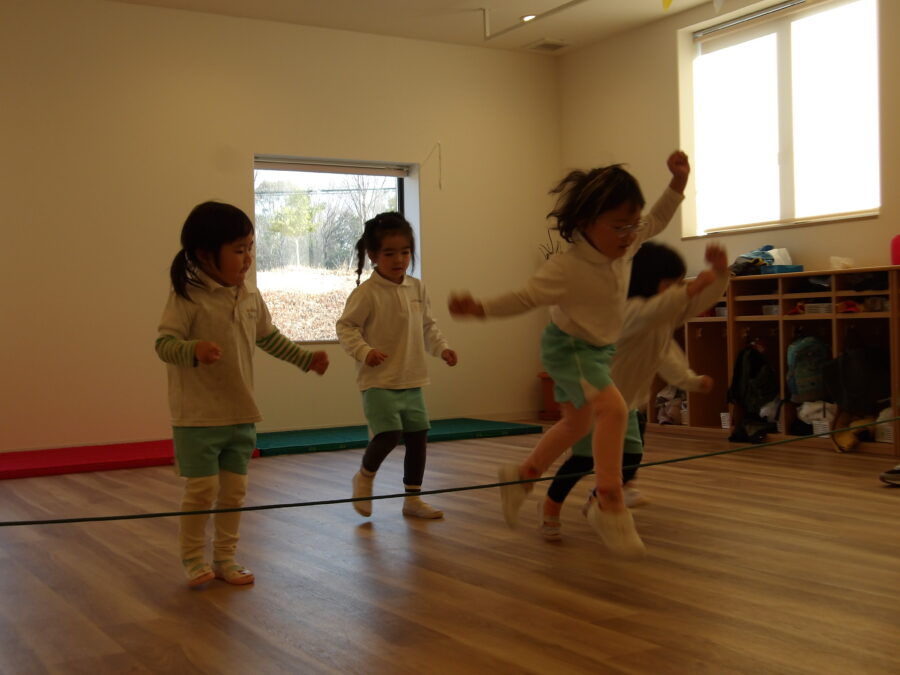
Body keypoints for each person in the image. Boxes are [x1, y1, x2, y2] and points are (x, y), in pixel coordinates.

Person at [449, 151, 690, 558]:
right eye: (619, 226)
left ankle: (523, 475)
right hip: (569, 348)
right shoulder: (567, 267)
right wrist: (480, 308)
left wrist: (678, 183)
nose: (629, 234)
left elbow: (659, 219)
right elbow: (525, 297)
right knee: (614, 410)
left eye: (632, 225)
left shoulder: (627, 243)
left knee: (578, 425)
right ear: (585, 222)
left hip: (597, 349)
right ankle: (609, 500)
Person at [156, 201, 329, 588]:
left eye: (250, 247)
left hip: (241, 414)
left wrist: (305, 360)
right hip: (197, 418)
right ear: (205, 254)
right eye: (238, 249)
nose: (248, 258)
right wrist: (193, 350)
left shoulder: (250, 295)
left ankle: (225, 558)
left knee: (234, 493)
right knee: (202, 491)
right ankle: (192, 559)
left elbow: (268, 337)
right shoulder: (187, 296)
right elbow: (164, 345)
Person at [538, 242, 729, 540]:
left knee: (631, 459)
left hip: (628, 403)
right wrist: (690, 290)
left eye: (680, 284)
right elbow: (653, 312)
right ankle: (550, 507)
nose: (678, 290)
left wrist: (720, 273)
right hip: (596, 400)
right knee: (583, 460)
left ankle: (599, 501)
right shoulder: (625, 313)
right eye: (671, 284)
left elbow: (668, 351)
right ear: (648, 281)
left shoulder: (664, 315)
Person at [337, 212, 458, 520]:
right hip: (378, 382)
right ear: (373, 255)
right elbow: (346, 327)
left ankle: (412, 500)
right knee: (389, 434)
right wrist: (364, 351)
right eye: (389, 253)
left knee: (418, 437)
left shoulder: (417, 288)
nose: (399, 259)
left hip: (412, 379)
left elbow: (428, 326)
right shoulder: (366, 293)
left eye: (405, 252)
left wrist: (442, 349)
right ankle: (364, 477)